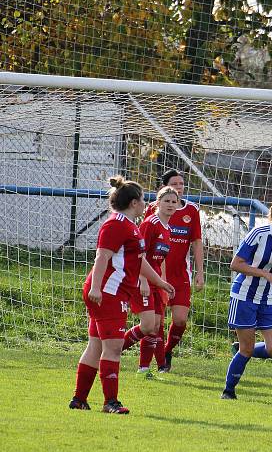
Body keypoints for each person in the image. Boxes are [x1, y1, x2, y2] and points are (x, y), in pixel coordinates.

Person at [69, 176, 174, 414]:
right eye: (143, 200)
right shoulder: (116, 224)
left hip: (110, 292)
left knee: (96, 346)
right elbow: (102, 257)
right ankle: (110, 402)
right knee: (113, 348)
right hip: (108, 292)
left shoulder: (129, 225)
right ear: (134, 203)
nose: (146, 204)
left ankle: (79, 399)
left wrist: (160, 283)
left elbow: (139, 260)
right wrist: (96, 288)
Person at [221, 196, 272, 400]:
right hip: (244, 296)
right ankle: (228, 391)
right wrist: (264, 273)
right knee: (247, 350)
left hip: (266, 299)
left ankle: (240, 349)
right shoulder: (259, 234)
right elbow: (235, 264)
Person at [143, 170, 204, 370]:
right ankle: (155, 363)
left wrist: (200, 273)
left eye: (181, 184)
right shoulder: (153, 210)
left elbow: (196, 242)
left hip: (180, 275)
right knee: (156, 323)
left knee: (180, 320)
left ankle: (167, 351)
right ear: (164, 188)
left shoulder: (192, 210)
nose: (179, 187)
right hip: (157, 273)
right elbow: (144, 245)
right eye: (175, 184)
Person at [121, 186, 180, 377]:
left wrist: (162, 283)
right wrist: (143, 281)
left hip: (155, 281)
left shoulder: (168, 228)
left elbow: (159, 260)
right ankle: (113, 350)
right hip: (141, 279)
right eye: (167, 201)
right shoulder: (150, 223)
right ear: (158, 203)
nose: (170, 205)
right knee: (147, 325)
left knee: (154, 326)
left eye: (174, 201)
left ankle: (144, 369)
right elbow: (138, 255)